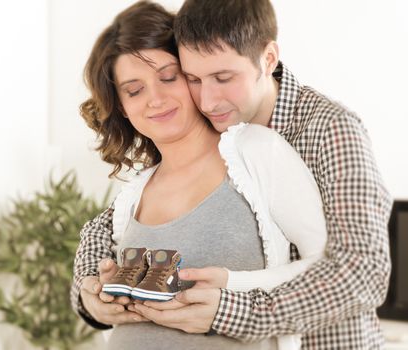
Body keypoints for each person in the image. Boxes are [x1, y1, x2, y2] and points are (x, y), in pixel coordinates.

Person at [121, 0, 392, 349]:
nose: (206, 100)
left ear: (268, 59)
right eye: (193, 78)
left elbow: (364, 273)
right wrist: (87, 281)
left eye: (223, 78)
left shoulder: (331, 129)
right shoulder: (215, 125)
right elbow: (125, 207)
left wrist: (232, 312)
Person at [70, 1, 330, 349]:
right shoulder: (133, 194)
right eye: (134, 90)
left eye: (168, 77)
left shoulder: (256, 152)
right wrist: (98, 299)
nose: (156, 99)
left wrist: (229, 286)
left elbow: (327, 267)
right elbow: (92, 251)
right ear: (122, 107)